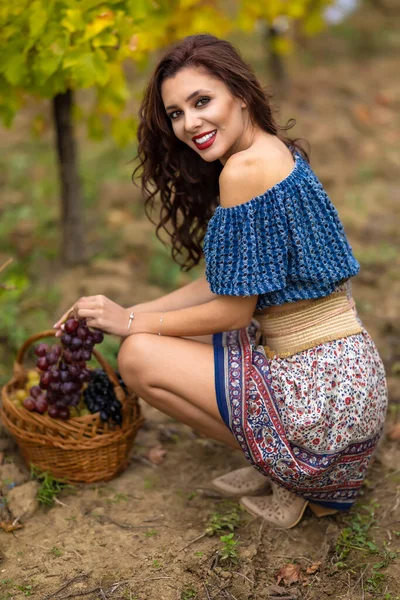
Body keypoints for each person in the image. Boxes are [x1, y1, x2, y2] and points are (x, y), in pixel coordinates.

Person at [53, 34, 388, 529]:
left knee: (138, 357)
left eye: (201, 101)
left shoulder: (244, 173)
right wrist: (128, 313)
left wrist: (130, 324)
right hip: (350, 383)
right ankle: (278, 461)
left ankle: (291, 473)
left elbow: (233, 311)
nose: (190, 123)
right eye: (176, 113)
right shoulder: (274, 152)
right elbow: (226, 285)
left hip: (325, 392)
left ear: (241, 94)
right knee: (152, 335)